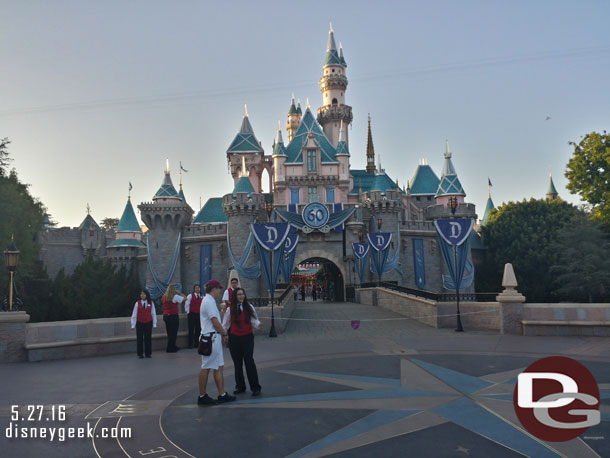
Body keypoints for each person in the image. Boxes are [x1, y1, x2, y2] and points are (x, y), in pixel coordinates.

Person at [197, 279, 236, 406]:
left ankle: (222, 394)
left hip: (214, 337)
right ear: (214, 289)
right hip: (210, 338)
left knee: (219, 366)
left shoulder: (210, 301)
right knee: (206, 367)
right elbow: (215, 322)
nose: (220, 291)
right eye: (219, 288)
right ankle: (202, 396)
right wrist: (225, 333)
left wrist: (221, 334)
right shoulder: (208, 301)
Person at [222, 287, 262, 396]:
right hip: (234, 338)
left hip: (247, 338)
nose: (241, 296)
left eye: (243, 294)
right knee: (237, 363)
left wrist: (258, 325)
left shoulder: (249, 307)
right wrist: (224, 334)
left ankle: (255, 387)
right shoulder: (230, 309)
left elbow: (254, 320)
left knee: (249, 361)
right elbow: (225, 324)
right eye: (239, 294)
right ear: (235, 296)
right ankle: (240, 386)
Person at [130, 290, 157, 358]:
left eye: (144, 294)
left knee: (148, 338)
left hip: (148, 322)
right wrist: (133, 324)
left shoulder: (151, 303)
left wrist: (154, 323)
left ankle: (148, 353)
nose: (142, 295)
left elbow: (153, 313)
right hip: (139, 322)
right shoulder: (137, 303)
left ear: (147, 295)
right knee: (139, 338)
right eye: (141, 294)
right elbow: (134, 314)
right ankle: (140, 353)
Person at [162, 285, 186, 353]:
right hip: (173, 316)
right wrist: (179, 292)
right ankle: (170, 348)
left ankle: (172, 346)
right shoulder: (175, 296)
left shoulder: (164, 296)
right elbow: (185, 298)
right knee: (173, 332)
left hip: (166, 315)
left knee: (169, 332)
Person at [185, 284, 203, 348]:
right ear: (194, 289)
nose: (197, 289)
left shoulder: (202, 296)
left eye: (198, 288)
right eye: (196, 288)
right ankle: (190, 344)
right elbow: (187, 304)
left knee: (198, 329)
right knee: (191, 329)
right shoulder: (190, 296)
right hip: (192, 314)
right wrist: (188, 312)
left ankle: (197, 343)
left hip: (199, 314)